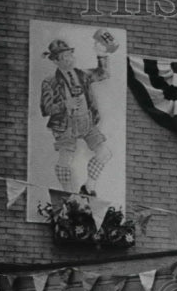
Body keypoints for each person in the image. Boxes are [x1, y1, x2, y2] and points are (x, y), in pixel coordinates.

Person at [39, 30, 118, 197]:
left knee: (104, 153)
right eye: (64, 57)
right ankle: (68, 194)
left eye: (69, 55)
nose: (69, 59)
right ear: (55, 61)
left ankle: (88, 187)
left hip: (86, 121)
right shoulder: (49, 81)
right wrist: (64, 105)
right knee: (65, 160)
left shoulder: (82, 74)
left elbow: (103, 73)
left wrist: (101, 55)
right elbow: (45, 109)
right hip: (65, 125)